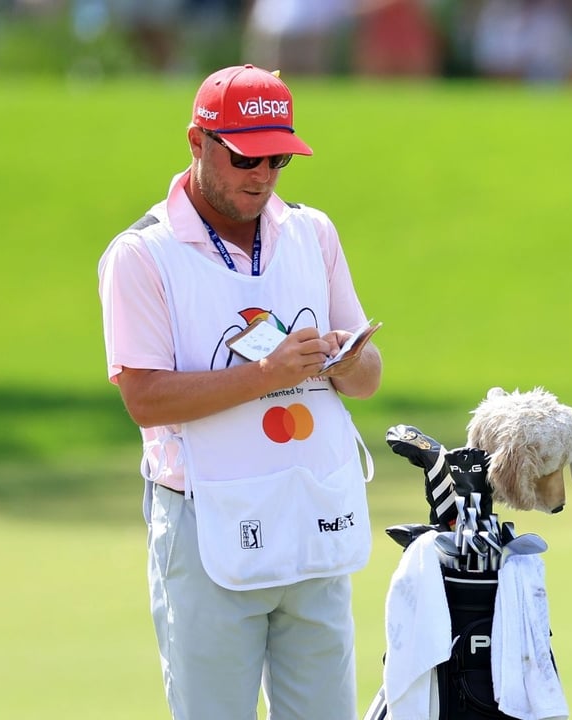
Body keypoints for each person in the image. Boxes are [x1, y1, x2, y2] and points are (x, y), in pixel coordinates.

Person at [97, 64, 383, 720]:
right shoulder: (141, 255)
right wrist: (266, 375)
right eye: (245, 156)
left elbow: (368, 379)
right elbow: (145, 399)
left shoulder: (313, 232)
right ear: (197, 142)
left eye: (278, 157)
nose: (262, 175)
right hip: (205, 519)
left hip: (310, 510)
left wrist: (339, 361)